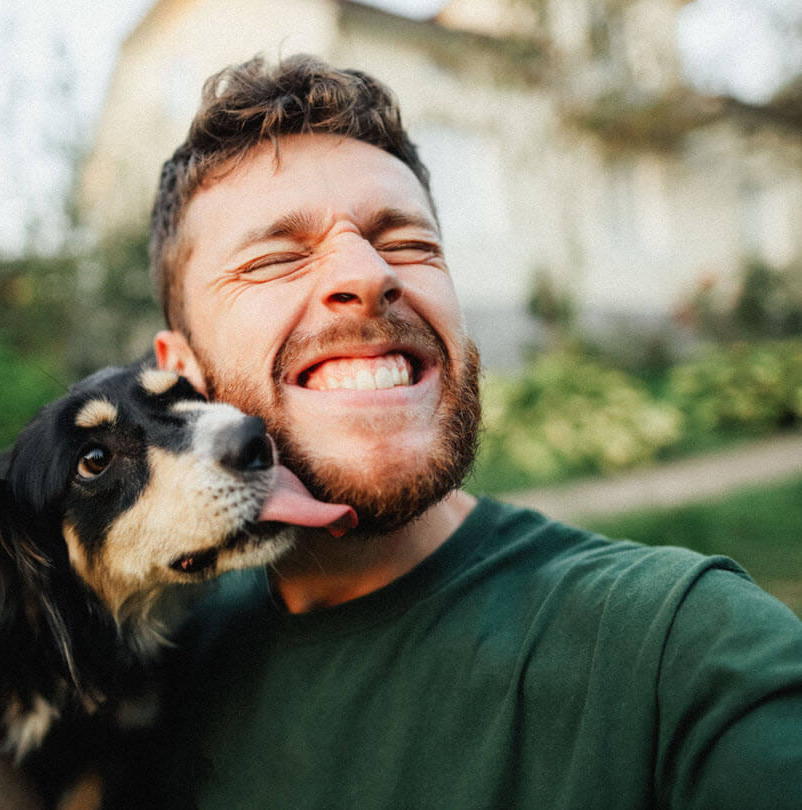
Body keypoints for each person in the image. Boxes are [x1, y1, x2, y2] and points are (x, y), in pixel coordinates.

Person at [147, 54, 802, 808]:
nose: (367, 275)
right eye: (277, 257)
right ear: (181, 374)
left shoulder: (677, 652)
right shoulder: (149, 674)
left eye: (408, 243)